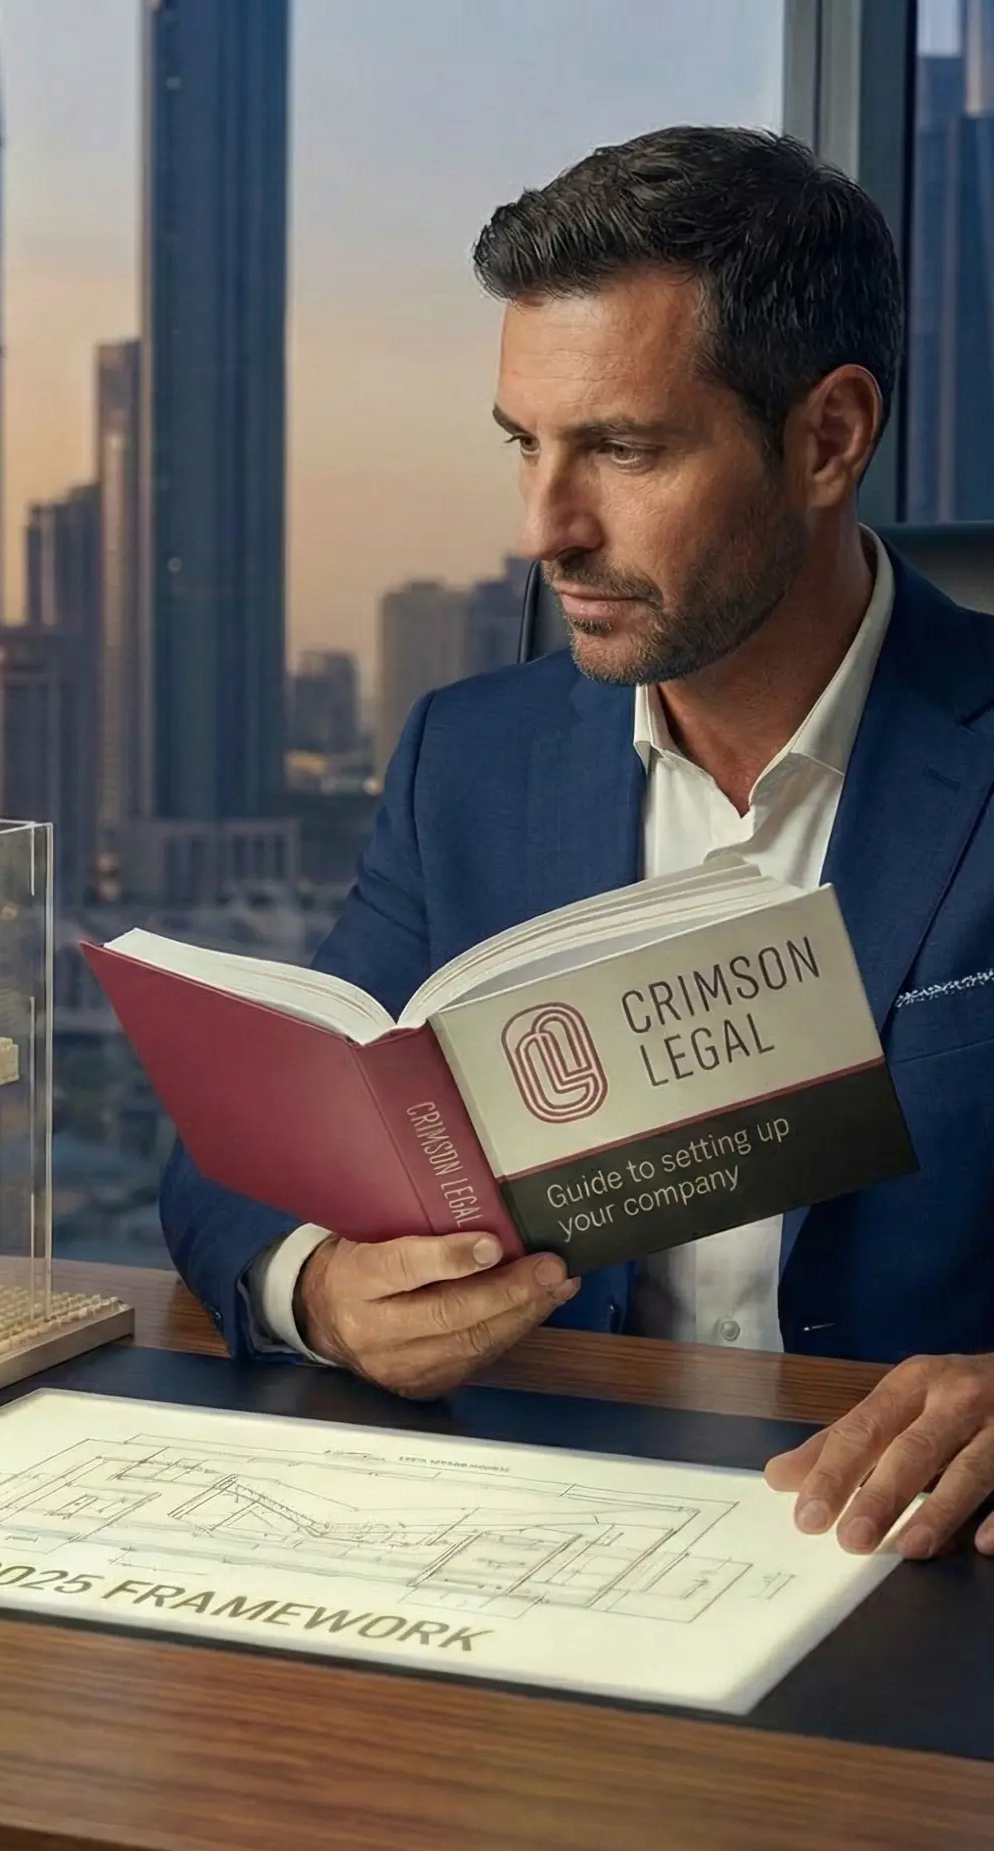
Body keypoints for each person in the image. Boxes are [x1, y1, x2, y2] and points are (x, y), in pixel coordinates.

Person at [161, 126, 994, 1568]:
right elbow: (243, 1155)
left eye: (621, 448)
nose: (543, 529)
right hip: (560, 1528)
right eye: (524, 445)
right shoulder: (470, 761)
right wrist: (323, 1286)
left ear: (828, 438)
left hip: (923, 1570)